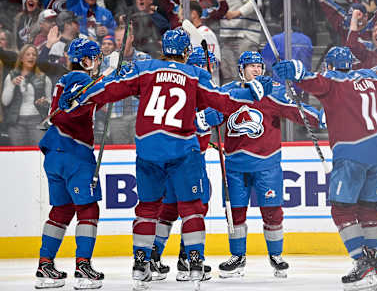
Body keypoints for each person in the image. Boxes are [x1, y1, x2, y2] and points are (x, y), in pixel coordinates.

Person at [59, 28, 272, 290]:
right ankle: (194, 264)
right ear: (185, 52)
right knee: (192, 207)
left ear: (163, 47)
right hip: (182, 150)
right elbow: (222, 100)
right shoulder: (195, 74)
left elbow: (111, 89)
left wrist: (81, 96)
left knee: (147, 208)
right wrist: (252, 93)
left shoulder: (145, 68)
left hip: (148, 150)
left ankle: (140, 266)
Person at [272, 47, 377, 291]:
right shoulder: (370, 78)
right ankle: (373, 262)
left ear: (330, 66)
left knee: (341, 209)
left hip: (351, 151)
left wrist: (294, 71)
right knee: (367, 209)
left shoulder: (332, 80)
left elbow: (311, 80)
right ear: (350, 64)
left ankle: (362, 263)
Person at [215, 51, 322, 279]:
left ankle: (276, 256)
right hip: (235, 166)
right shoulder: (229, 93)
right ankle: (238, 257)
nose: (256, 70)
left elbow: (298, 110)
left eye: (259, 66)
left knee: (272, 212)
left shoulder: (273, 92)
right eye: (251, 66)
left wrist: (318, 116)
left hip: (267, 164)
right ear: (241, 69)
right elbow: (210, 116)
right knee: (235, 213)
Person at [34, 38, 105, 289]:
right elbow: (88, 100)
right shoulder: (82, 79)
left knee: (62, 211)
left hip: (54, 152)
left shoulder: (64, 80)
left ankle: (45, 266)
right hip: (74, 153)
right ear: (85, 59)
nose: (96, 62)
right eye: (94, 58)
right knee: (88, 210)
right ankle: (83, 267)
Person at [150, 47, 223, 283]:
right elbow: (178, 120)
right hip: (187, 159)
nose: (207, 71)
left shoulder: (191, 86)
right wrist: (202, 120)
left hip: (174, 159)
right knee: (196, 207)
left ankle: (153, 257)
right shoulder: (190, 87)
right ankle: (187, 259)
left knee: (169, 208)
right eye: (204, 65)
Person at [1, 44, 52, 146]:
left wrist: (44, 102)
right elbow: (5, 102)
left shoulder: (44, 78)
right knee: (19, 155)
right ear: (21, 58)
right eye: (27, 54)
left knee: (38, 154)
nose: (31, 57)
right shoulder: (11, 76)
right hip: (16, 122)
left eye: (34, 54)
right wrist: (12, 84)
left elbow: (51, 103)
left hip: (37, 120)